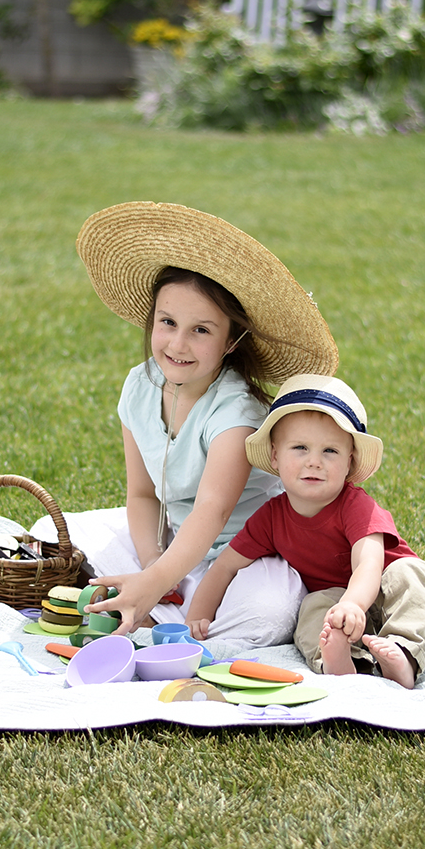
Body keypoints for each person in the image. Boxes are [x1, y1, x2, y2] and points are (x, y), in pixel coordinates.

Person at [53, 201, 339, 644]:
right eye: (168, 322)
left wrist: (155, 580)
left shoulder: (236, 411)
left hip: (240, 555)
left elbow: (213, 509)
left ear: (231, 341)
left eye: (201, 330)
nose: (178, 344)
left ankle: (172, 618)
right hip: (173, 542)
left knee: (271, 609)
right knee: (68, 540)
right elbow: (142, 493)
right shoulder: (139, 386)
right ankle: (165, 605)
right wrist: (153, 565)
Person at [184, 374, 425, 687]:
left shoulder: (355, 506)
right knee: (313, 608)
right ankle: (343, 662)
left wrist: (354, 604)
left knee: (407, 573)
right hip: (345, 610)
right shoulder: (272, 517)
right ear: (275, 455)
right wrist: (197, 615)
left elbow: (369, 564)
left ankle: (404, 654)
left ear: (350, 463)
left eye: (330, 451)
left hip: (402, 596)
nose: (314, 462)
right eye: (300, 448)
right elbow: (227, 565)